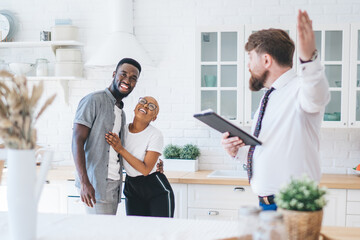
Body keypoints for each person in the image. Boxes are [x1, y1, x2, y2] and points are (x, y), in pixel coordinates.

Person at [221, 10, 330, 211]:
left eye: (250, 58)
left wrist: (310, 61)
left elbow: (318, 96)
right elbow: (269, 150)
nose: (248, 66)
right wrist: (238, 151)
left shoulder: (299, 89)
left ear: (266, 60)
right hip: (267, 204)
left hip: (291, 206)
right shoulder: (270, 96)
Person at [72, 58, 162, 215]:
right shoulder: (94, 100)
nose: (127, 80)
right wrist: (85, 182)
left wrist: (155, 165)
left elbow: (126, 150)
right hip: (95, 185)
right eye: (124, 74)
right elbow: (77, 141)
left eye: (133, 78)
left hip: (115, 186)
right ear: (114, 74)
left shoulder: (122, 113)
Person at [105, 96, 175, 218]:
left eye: (152, 106)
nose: (146, 105)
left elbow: (145, 169)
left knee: (161, 233)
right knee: (137, 232)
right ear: (135, 108)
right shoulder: (122, 130)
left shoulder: (155, 135)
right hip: (132, 187)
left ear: (154, 118)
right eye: (143, 101)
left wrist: (120, 148)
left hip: (156, 189)